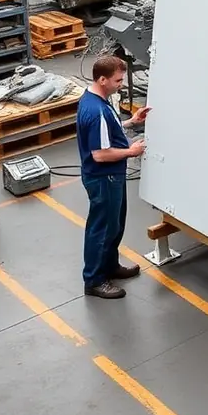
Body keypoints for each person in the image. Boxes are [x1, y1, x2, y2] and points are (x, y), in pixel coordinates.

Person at [76, 55, 150, 299]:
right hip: (104, 178)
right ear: (102, 79)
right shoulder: (96, 110)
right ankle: (95, 280)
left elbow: (109, 129)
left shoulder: (97, 99)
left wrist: (131, 122)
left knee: (114, 225)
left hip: (110, 177)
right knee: (103, 228)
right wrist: (131, 151)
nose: (122, 84)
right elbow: (100, 154)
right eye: (118, 80)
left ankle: (110, 266)